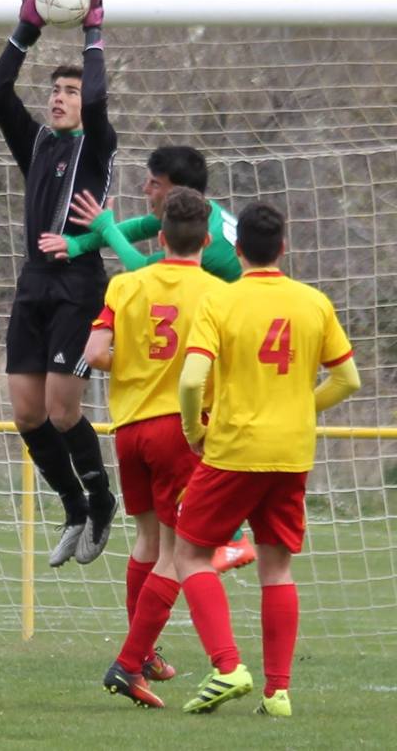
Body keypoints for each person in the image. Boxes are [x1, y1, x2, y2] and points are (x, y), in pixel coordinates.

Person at [172, 202, 360, 715]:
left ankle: (227, 666)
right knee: (277, 569)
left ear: (237, 250)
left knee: (190, 555)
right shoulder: (314, 302)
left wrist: (194, 432)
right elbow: (348, 379)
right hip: (291, 453)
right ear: (283, 247)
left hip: (234, 449)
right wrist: (299, 408)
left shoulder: (220, 300)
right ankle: (278, 693)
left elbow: (190, 381)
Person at [41, 145, 258, 573]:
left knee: (200, 458)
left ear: (175, 192)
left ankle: (232, 537)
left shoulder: (209, 248)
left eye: (154, 183)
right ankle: (226, 538)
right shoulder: (197, 217)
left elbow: (142, 269)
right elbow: (138, 228)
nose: (145, 189)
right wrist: (79, 241)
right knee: (170, 518)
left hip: (237, 348)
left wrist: (104, 225)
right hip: (218, 342)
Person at [0, 0, 118, 567]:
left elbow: (97, 100)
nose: (60, 98)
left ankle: (101, 500)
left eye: (70, 90)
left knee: (64, 411)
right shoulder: (38, 144)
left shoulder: (98, 144)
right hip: (33, 284)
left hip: (78, 286)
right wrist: (28, 26)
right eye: (56, 91)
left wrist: (93, 33)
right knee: (27, 412)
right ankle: (73, 507)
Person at [86, 187, 225, 708]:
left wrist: (135, 364)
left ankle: (142, 656)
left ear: (160, 237)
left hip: (129, 429)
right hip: (179, 431)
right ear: (206, 241)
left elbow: (95, 353)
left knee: (146, 542)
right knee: (178, 553)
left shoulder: (126, 284)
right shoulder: (217, 293)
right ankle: (127, 664)